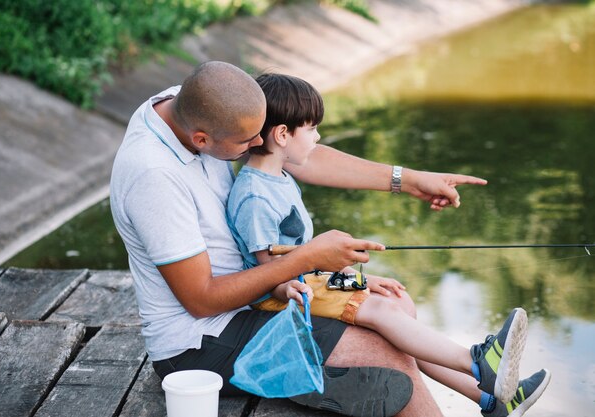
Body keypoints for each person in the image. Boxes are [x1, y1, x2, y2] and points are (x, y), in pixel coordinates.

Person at [110, 61, 494, 417]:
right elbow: (201, 299)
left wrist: (407, 179)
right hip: (199, 344)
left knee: (394, 304)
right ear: (202, 139)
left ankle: (485, 396)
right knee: (382, 354)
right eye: (248, 142)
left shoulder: (203, 103)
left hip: (259, 300)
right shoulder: (153, 176)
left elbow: (294, 154)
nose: (260, 142)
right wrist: (308, 258)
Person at [226, 73, 551, 417]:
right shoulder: (254, 196)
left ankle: (491, 398)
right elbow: (270, 271)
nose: (318, 137)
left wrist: (361, 280)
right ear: (282, 135)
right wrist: (300, 287)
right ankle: (478, 362)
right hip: (278, 300)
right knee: (383, 314)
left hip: (307, 283)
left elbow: (304, 255)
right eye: (311, 129)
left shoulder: (279, 178)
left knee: (391, 306)